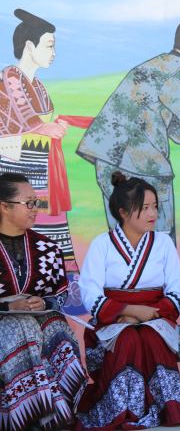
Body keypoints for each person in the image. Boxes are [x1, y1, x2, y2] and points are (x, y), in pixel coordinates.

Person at [76, 1, 180, 243]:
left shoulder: (157, 65)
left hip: (109, 162)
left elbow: (172, 124)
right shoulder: (178, 69)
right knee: (159, 241)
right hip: (141, 167)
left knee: (122, 240)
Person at [76, 172, 180, 429]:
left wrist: (149, 314)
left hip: (156, 317)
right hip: (114, 320)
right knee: (129, 338)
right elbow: (90, 291)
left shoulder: (163, 243)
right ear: (123, 212)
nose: (152, 213)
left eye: (155, 206)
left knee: (152, 338)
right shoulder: (102, 244)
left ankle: (168, 407)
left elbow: (176, 288)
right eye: (144, 208)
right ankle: (122, 409)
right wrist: (128, 312)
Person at [0, 9, 80, 299]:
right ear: (30, 46)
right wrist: (46, 128)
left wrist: (53, 127)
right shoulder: (10, 75)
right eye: (49, 44)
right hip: (15, 167)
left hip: (40, 168)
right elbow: (30, 122)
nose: (54, 52)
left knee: (50, 229)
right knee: (27, 228)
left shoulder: (41, 87)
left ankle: (58, 291)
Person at [0, 173, 86, 431]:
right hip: (7, 325)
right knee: (21, 327)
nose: (35, 210)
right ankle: (25, 417)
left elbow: (60, 296)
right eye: (29, 203)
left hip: (37, 322)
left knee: (56, 327)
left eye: (36, 202)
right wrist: (7, 307)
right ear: (4, 206)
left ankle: (56, 414)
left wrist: (43, 302)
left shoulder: (47, 248)